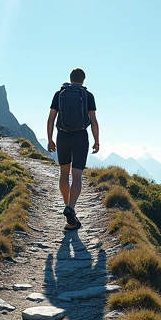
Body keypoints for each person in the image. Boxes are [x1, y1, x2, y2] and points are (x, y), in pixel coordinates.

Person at [47, 67, 100, 229]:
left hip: (62, 136)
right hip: (80, 137)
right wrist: (97, 141)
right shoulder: (88, 95)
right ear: (83, 80)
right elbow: (94, 120)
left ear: (70, 79)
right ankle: (71, 207)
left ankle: (67, 206)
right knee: (76, 176)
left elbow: (51, 119)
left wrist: (50, 139)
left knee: (64, 173)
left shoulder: (59, 94)